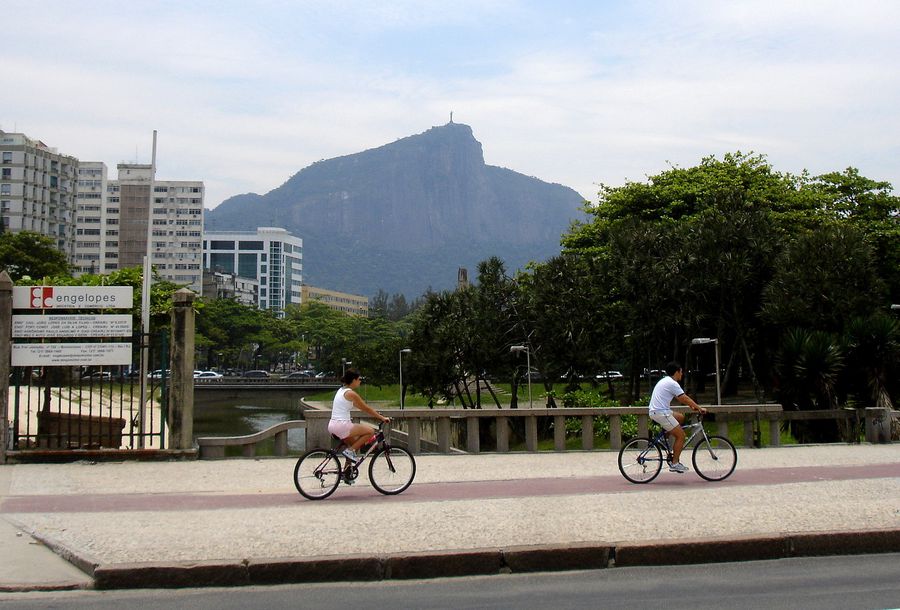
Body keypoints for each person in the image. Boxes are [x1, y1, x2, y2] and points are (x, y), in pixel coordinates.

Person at [648, 361, 707, 473]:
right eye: (681, 372)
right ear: (676, 372)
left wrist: (692, 406)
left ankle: (662, 438)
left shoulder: (666, 380)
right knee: (681, 436)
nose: (682, 374)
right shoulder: (672, 383)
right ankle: (675, 463)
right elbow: (684, 398)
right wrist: (699, 408)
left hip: (658, 411)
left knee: (680, 417)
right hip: (661, 412)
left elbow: (680, 399)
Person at [328, 369, 390, 462]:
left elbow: (360, 407)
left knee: (354, 445)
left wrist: (376, 414)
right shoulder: (351, 393)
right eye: (359, 379)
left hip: (332, 426)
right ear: (354, 380)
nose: (360, 381)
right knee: (370, 431)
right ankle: (349, 452)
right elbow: (366, 408)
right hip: (342, 426)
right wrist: (382, 418)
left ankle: (347, 471)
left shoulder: (341, 390)